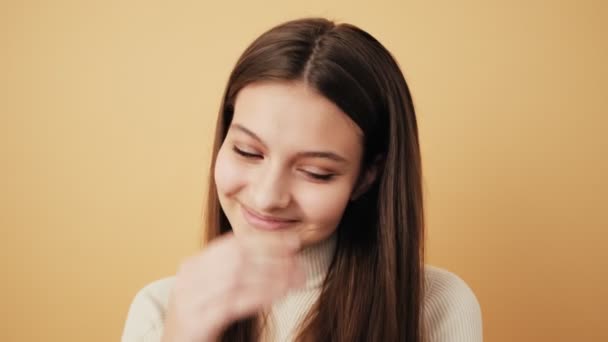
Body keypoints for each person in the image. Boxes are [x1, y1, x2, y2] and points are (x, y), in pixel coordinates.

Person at [121, 17, 482, 342]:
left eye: (315, 173)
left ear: (367, 177)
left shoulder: (438, 306)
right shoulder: (161, 311)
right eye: (247, 151)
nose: (267, 197)